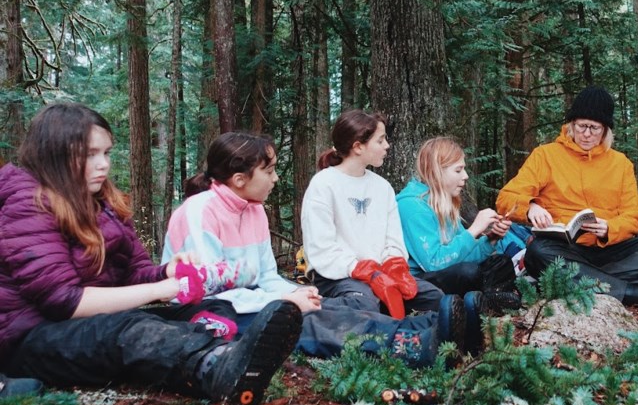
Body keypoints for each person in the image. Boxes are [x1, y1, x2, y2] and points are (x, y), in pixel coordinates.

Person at [0, 103, 301, 405]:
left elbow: (135, 270)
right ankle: (215, 367)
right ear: (56, 153)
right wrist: (162, 289)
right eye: (90, 154)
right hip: (31, 338)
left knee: (202, 310)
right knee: (131, 330)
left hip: (95, 323)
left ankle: (233, 353)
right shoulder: (28, 204)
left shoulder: (102, 203)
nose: (103, 165)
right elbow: (64, 301)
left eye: (106, 153)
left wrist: (167, 272)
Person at [162, 131, 477, 366]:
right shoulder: (198, 212)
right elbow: (208, 288)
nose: (276, 178)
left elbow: (267, 275)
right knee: (306, 321)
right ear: (241, 179)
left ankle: (436, 328)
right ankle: (411, 345)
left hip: (249, 300)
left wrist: (293, 293)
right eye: (269, 171)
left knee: (330, 307)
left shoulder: (254, 209)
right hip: (208, 310)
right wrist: (284, 299)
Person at [496, 86, 638, 309]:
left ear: (606, 130)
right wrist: (530, 208)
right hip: (563, 250)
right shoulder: (546, 155)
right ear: (571, 125)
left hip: (609, 252)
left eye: (594, 128)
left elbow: (634, 215)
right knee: (537, 253)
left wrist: (610, 228)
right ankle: (631, 292)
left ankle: (581, 280)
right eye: (581, 126)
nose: (586, 134)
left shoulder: (620, 163)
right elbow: (506, 197)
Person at [300, 110, 445, 317]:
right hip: (338, 276)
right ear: (358, 147)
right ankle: (312, 312)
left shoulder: (382, 187)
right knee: (364, 301)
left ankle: (388, 315)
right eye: (380, 140)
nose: (387, 146)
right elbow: (321, 248)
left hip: (382, 271)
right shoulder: (323, 184)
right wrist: (363, 270)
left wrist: (394, 265)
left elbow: (393, 238)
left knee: (433, 297)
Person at [397, 137, 525, 311]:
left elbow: (461, 254)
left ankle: (484, 301)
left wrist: (491, 240)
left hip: (447, 272)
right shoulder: (412, 206)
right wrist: (473, 231)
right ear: (437, 171)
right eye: (458, 170)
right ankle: (481, 303)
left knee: (500, 262)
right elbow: (434, 263)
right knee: (468, 272)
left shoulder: (442, 202)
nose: (465, 176)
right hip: (419, 282)